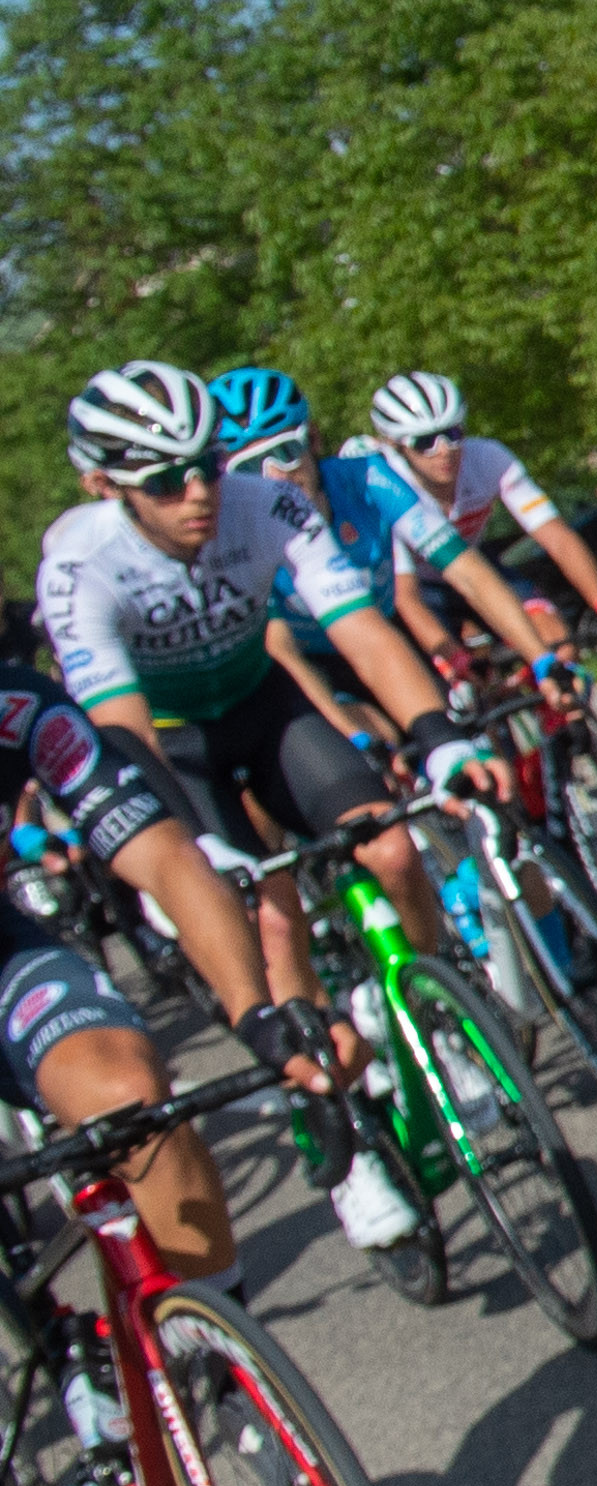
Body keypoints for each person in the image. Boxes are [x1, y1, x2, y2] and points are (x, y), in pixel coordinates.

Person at [0, 471, 398, 1486]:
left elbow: (169, 858)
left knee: (135, 1090)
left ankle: (217, 1371)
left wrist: (264, 1018)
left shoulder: (21, 708)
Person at [41, 358, 493, 1013]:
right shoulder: (80, 566)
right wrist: (190, 845)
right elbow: (121, 725)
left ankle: (437, 1002)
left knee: (393, 850)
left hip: (265, 708)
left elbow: (362, 632)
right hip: (175, 743)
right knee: (271, 919)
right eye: (165, 481)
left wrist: (438, 735)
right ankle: (328, 1059)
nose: (199, 493)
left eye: (208, 466)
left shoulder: (266, 505)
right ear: (104, 486)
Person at [361, 372, 597, 651]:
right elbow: (405, 595)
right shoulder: (385, 486)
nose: (444, 450)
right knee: (446, 665)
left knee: (558, 643)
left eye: (453, 434)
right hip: (417, 588)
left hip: (479, 571)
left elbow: (557, 537)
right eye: (425, 442)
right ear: (397, 445)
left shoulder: (488, 459)